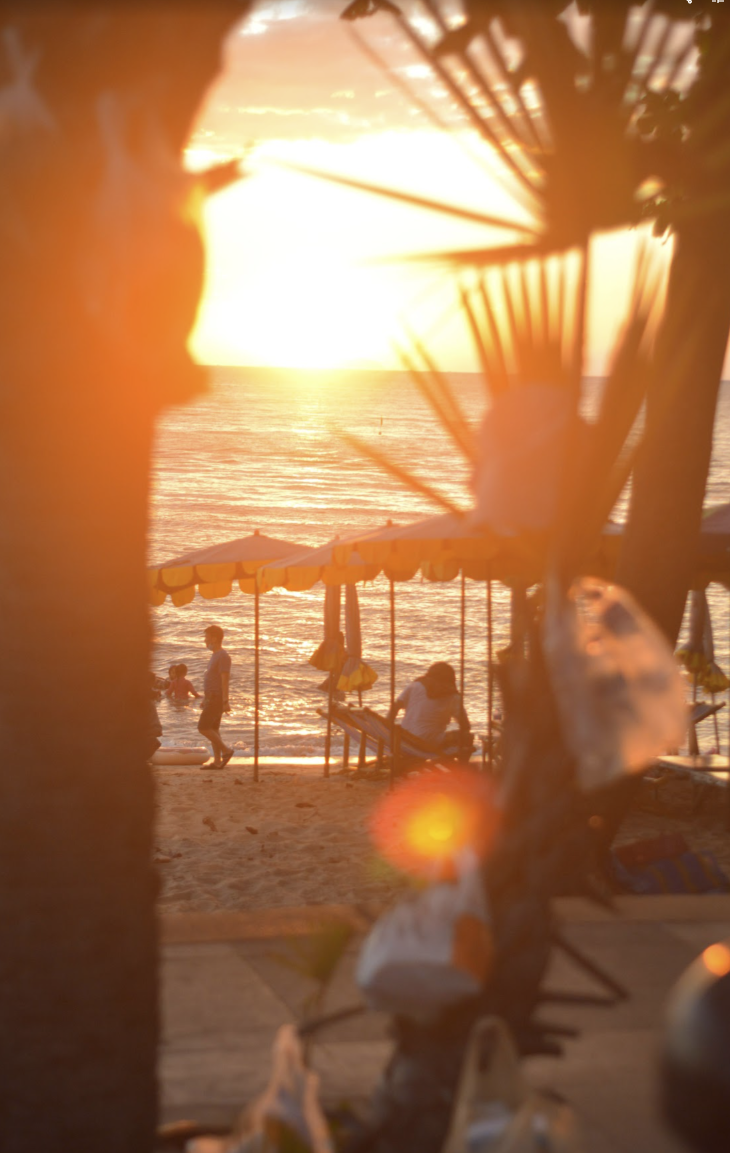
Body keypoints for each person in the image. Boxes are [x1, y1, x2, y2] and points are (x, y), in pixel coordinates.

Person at [387, 661, 472, 751]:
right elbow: (465, 725)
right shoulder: (453, 695)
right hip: (429, 742)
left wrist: (387, 729)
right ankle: (460, 764)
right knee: (467, 737)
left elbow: (395, 707)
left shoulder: (415, 685)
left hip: (405, 740)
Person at [198, 624, 233, 768]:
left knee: (203, 727)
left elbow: (225, 680)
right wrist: (205, 699)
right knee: (214, 729)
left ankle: (226, 750)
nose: (205, 640)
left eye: (206, 637)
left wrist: (225, 701)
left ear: (215, 638)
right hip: (211, 697)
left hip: (217, 698)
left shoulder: (223, 656)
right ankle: (218, 761)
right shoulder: (215, 655)